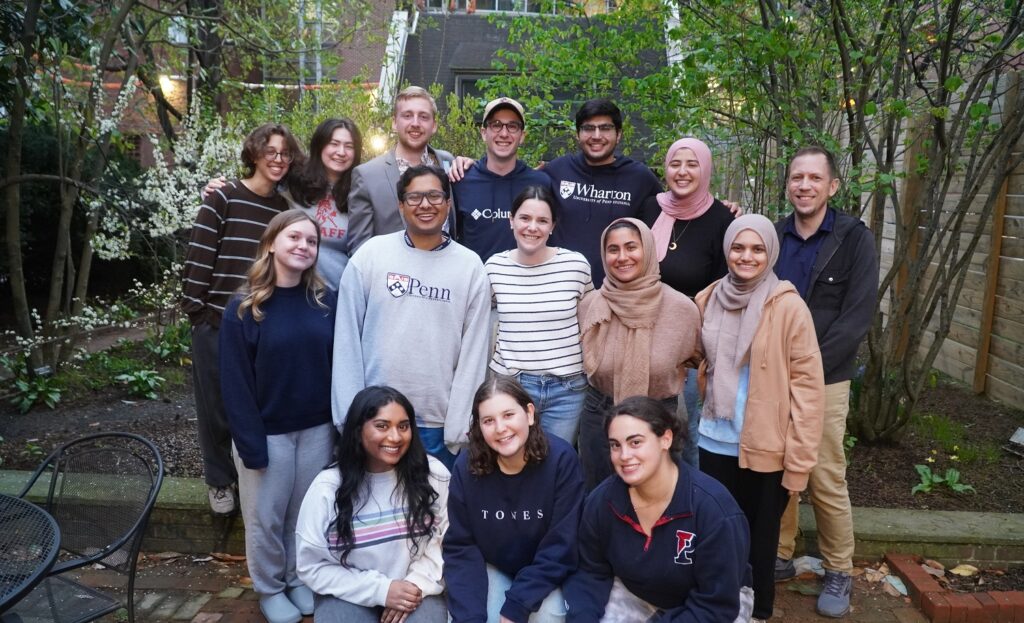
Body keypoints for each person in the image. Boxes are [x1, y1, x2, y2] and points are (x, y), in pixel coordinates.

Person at [694, 214, 825, 622]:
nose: (746, 257)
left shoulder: (788, 306)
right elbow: (695, 357)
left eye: (757, 249)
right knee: (716, 533)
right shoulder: (708, 297)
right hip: (713, 439)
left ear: (770, 253)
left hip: (766, 447)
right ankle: (719, 606)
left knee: (759, 540)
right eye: (738, 247)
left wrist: (799, 464)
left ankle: (758, 612)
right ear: (726, 250)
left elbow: (808, 390)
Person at [773, 146, 878, 618]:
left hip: (827, 378)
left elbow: (856, 317)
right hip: (772, 374)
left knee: (823, 474)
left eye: (815, 178)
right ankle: (780, 553)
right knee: (777, 468)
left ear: (832, 186)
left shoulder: (854, 239)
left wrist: (808, 370)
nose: (804, 186)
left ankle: (840, 569)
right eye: (797, 177)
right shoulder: (774, 236)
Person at [219, 209, 336, 623]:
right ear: (271, 243)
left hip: (317, 430)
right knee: (266, 519)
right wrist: (250, 444)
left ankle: (297, 579)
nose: (303, 246)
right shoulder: (244, 308)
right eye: (294, 238)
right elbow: (233, 384)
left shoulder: (324, 301)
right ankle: (270, 588)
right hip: (267, 434)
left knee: (303, 515)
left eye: (311, 241)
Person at [333, 165, 491, 470]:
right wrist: (350, 416)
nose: (425, 204)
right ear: (401, 205)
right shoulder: (371, 256)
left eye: (434, 196)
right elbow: (346, 340)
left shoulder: (470, 267)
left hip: (438, 423)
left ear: (448, 203)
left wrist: (460, 426)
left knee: (432, 513)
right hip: (375, 418)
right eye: (415, 197)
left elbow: (474, 353)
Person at [181, 122, 302, 515]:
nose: (279, 160)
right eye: (271, 152)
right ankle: (218, 481)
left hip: (261, 324)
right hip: (216, 321)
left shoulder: (282, 209)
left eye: (285, 153)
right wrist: (198, 311)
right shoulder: (224, 197)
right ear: (253, 153)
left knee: (246, 407)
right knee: (214, 407)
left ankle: (246, 477)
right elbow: (200, 254)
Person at [563, 396, 752, 623]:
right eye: (615, 445)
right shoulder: (602, 502)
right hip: (637, 592)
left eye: (635, 442)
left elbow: (716, 604)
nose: (624, 456)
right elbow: (591, 572)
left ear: (666, 439)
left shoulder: (714, 510)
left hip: (715, 606)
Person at [296, 386, 449, 623]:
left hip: (416, 587)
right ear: (358, 431)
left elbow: (443, 543)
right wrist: (382, 590)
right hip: (348, 592)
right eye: (382, 426)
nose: (395, 437)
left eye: (403, 426)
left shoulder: (435, 476)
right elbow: (311, 566)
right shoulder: (327, 488)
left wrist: (412, 585)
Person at [443, 377, 585, 623]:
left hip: (544, 570)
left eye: (508, 415)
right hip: (492, 567)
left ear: (529, 413)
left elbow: (562, 546)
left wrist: (517, 606)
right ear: (479, 427)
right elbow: (461, 547)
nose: (500, 428)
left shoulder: (562, 460)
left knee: (550, 617)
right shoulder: (466, 468)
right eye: (488, 420)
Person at [576, 218, 701, 490]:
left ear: (647, 249)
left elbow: (696, 358)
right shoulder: (589, 306)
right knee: (599, 498)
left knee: (659, 500)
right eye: (613, 249)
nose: (622, 257)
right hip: (599, 414)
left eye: (631, 247)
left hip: (659, 415)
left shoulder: (682, 310)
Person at [640, 137, 735, 468]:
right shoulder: (649, 208)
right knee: (643, 423)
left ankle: (689, 502)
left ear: (706, 169)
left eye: (691, 164)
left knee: (685, 433)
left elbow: (724, 290)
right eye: (675, 164)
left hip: (690, 349)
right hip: (641, 336)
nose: (682, 172)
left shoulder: (722, 219)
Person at [485, 185, 593, 444]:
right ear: (511, 221)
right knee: (513, 461)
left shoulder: (576, 265)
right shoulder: (494, 267)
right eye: (524, 218)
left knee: (556, 463)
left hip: (568, 389)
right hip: (511, 386)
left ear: (552, 226)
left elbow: (591, 319)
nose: (532, 227)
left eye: (542, 220)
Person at [203, 118, 363, 291]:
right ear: (320, 145)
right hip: (292, 290)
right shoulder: (295, 182)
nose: (341, 152)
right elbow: (258, 183)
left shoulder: (360, 192)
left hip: (338, 292)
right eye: (334, 143)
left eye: (349, 146)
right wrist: (213, 190)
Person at [543, 99, 662, 287]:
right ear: (577, 134)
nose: (596, 136)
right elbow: (520, 195)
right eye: (588, 128)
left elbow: (674, 212)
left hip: (618, 295)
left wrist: (721, 207)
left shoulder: (640, 178)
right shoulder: (556, 171)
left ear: (619, 134)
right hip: (560, 292)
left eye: (605, 128)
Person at [348, 86, 455, 251]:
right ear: (394, 123)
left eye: (423, 117)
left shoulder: (448, 163)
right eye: (407, 115)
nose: (415, 123)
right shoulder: (367, 176)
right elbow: (359, 249)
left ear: (434, 125)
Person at [453, 97, 550, 261]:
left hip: (526, 283)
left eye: (512, 126)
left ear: (522, 135)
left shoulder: (541, 183)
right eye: (496, 125)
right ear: (484, 133)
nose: (504, 134)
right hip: (475, 284)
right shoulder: (461, 180)